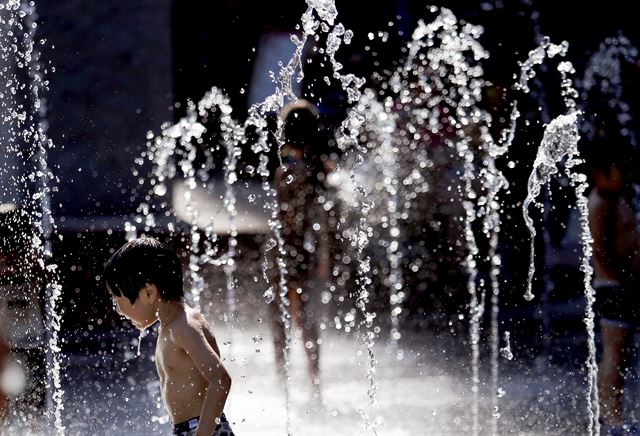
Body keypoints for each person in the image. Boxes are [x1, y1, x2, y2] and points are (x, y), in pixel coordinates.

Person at [104, 237, 233, 436]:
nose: (118, 310)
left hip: (201, 429)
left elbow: (221, 379)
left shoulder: (184, 326)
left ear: (148, 293)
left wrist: (202, 433)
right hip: (189, 428)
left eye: (116, 298)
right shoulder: (170, 326)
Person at [271, 99, 329, 400]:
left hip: (284, 250)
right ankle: (315, 384)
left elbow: (288, 215)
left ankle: (285, 383)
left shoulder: (290, 165)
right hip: (303, 252)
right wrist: (321, 253)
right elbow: (319, 217)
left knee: (282, 319)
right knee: (306, 319)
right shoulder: (314, 165)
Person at [588, 143, 640, 435]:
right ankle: (610, 414)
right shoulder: (600, 203)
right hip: (613, 286)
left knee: (623, 351)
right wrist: (624, 279)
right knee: (615, 351)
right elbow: (601, 251)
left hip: (625, 285)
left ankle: (614, 411)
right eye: (620, 171)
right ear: (600, 175)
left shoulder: (619, 198)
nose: (627, 174)